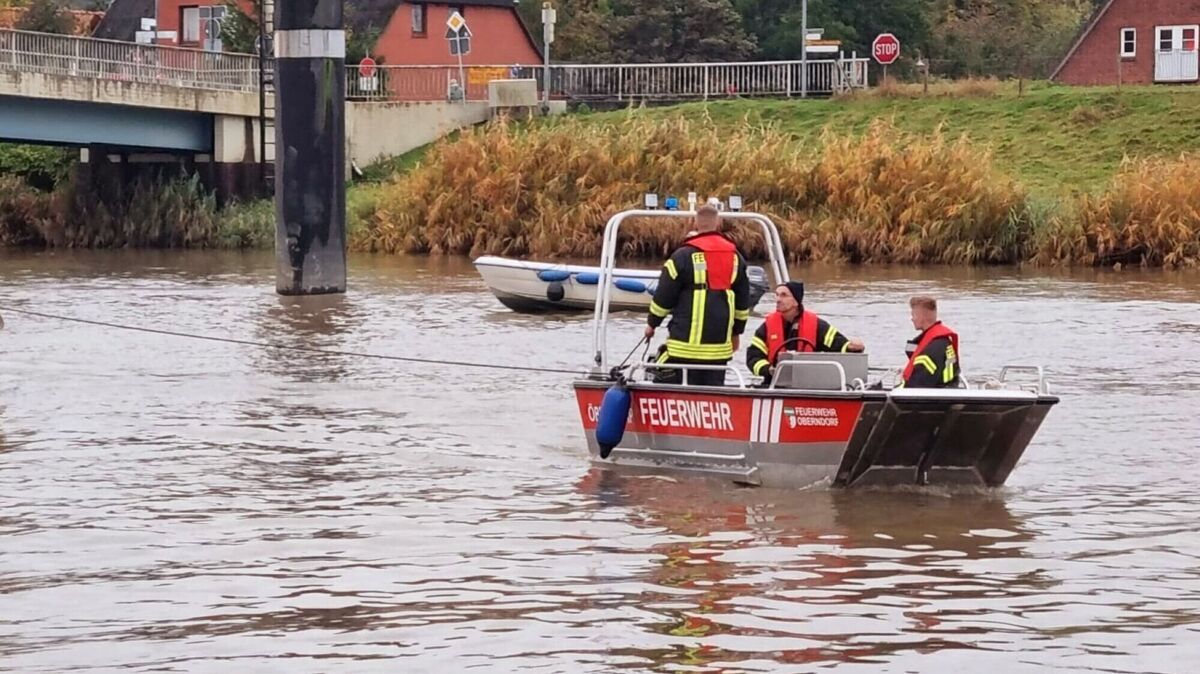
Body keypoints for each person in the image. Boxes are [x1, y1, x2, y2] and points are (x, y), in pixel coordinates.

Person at [644, 204, 751, 386]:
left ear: (695, 224)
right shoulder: (735, 257)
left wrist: (652, 324)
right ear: (718, 223)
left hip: (683, 349)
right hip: (719, 351)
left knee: (678, 390)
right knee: (712, 398)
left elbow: (663, 298)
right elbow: (742, 303)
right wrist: (737, 331)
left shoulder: (682, 256)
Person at [746, 281, 865, 384]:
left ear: (796, 302)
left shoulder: (817, 325)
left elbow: (839, 345)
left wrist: (853, 347)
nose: (778, 300)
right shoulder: (767, 327)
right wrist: (768, 370)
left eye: (783, 295)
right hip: (773, 384)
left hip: (809, 385)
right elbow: (753, 358)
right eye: (776, 295)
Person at [901, 295, 961, 388]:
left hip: (933, 399)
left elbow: (918, 386)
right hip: (946, 391)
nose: (912, 319)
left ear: (921, 316)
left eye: (913, 315)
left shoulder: (932, 348)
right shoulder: (942, 341)